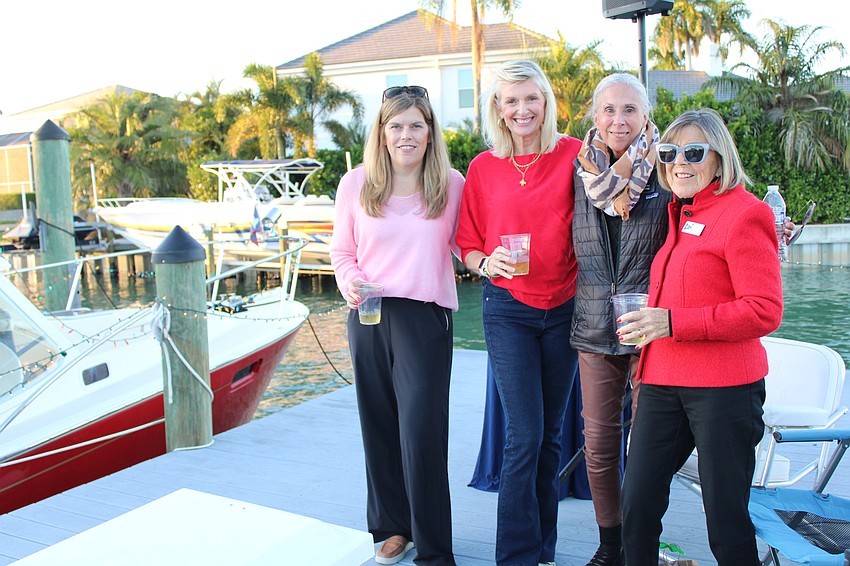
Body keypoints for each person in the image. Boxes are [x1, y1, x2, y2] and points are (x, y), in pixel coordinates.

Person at [619, 108, 784, 565]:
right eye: (670, 153)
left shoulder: (746, 213)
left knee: (725, 523)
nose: (679, 162)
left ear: (719, 158)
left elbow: (764, 310)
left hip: (724, 390)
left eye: (694, 152)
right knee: (636, 507)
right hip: (661, 383)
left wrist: (674, 323)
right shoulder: (677, 212)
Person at [329, 85, 464, 566]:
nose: (406, 135)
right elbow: (342, 252)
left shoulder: (451, 184)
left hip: (424, 321)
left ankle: (434, 548)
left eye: (416, 125)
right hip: (367, 315)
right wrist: (349, 279)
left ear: (429, 132)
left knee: (423, 434)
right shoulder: (356, 183)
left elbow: (465, 245)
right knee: (379, 426)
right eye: (396, 125)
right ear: (382, 133)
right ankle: (392, 528)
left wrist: (487, 259)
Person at [456, 59, 582, 566]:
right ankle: (515, 557)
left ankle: (542, 550)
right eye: (511, 101)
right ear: (497, 109)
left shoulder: (575, 154)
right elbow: (464, 243)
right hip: (507, 308)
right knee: (524, 435)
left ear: (546, 102)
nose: (523, 109)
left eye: (531, 98)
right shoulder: (483, 168)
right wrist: (486, 261)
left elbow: (629, 189)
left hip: (567, 305)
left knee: (550, 437)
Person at [569, 73, 669, 566]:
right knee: (599, 447)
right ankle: (611, 547)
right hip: (593, 327)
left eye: (629, 109)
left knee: (648, 451)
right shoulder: (579, 170)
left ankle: (641, 546)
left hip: (649, 330)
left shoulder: (668, 166)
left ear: (645, 114)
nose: (618, 120)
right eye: (609, 110)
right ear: (594, 116)